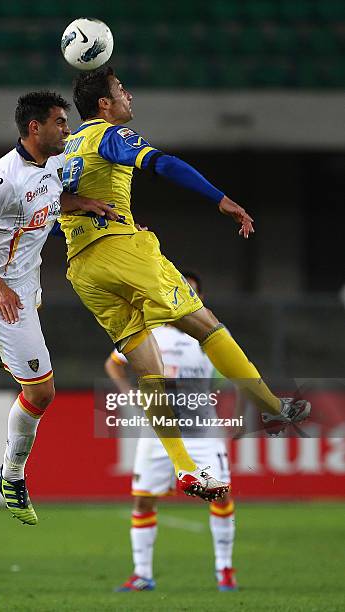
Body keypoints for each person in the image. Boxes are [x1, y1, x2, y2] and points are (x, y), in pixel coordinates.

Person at [58, 66, 310, 501]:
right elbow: (163, 163)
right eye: (120, 90)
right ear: (103, 104)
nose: (128, 96)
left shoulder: (66, 146)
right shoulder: (106, 135)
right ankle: (274, 407)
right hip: (121, 252)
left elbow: (47, 197)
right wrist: (221, 199)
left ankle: (185, 468)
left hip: (82, 267)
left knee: (148, 369)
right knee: (205, 324)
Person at [0, 90, 116, 525]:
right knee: (42, 392)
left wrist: (80, 203)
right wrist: (0, 289)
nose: (67, 129)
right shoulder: (2, 178)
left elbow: (43, 203)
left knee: (32, 366)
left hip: (27, 284)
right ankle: (10, 475)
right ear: (34, 128)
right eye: (60, 122)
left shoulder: (51, 167)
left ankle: (4, 353)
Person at [105, 273, 238, 592]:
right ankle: (142, 574)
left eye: (191, 291)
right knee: (143, 501)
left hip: (201, 432)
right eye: (178, 290)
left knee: (219, 494)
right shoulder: (146, 332)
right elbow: (113, 364)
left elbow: (232, 373)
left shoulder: (210, 333)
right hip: (156, 434)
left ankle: (225, 570)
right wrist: (128, 394)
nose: (182, 296)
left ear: (200, 298)